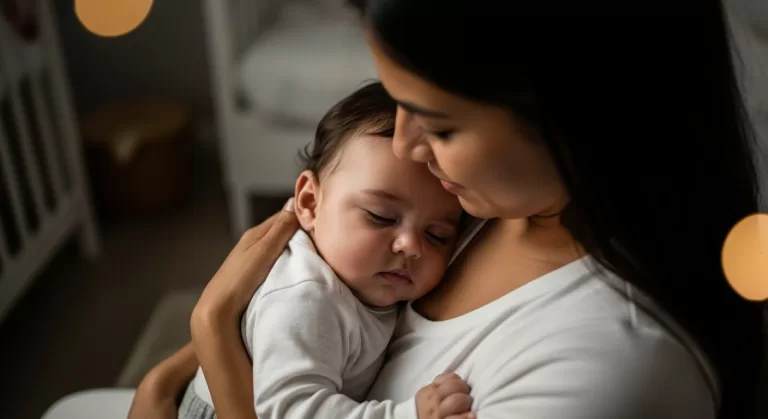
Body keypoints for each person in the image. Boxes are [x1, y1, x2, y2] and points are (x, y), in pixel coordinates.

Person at [42, 1, 764, 419]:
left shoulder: (607, 374)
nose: (407, 149)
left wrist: (210, 330)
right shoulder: (496, 200)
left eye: (439, 125)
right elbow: (296, 315)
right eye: (397, 110)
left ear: (578, 123)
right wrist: (178, 368)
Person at [180, 81, 470, 419]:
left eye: (436, 235)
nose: (411, 246)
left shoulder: (358, 279)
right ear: (309, 202)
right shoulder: (307, 298)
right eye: (380, 217)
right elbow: (292, 412)